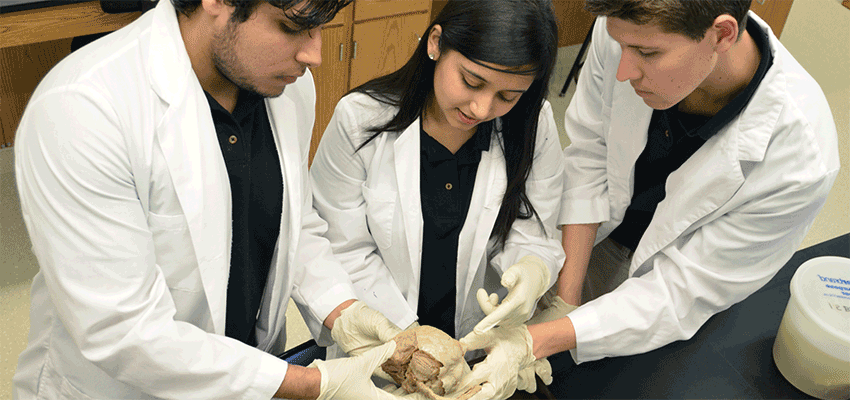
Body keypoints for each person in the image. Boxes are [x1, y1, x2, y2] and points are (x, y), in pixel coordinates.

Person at [12, 0, 424, 399]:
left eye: (321, 28)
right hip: (123, 387)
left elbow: (291, 222)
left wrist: (343, 310)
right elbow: (124, 330)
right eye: (293, 27)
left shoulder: (285, 87)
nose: (314, 54)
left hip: (247, 371)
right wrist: (311, 386)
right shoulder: (84, 108)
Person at [460, 1, 840, 399]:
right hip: (593, 231)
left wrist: (535, 342)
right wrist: (566, 299)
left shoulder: (799, 159)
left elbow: (680, 292)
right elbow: (590, 153)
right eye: (618, 45)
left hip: (677, 273)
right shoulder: (631, 34)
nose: (624, 71)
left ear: (722, 34)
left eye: (647, 54)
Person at [310, 0, 563, 370]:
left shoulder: (531, 124)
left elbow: (533, 228)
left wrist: (532, 267)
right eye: (471, 81)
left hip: (480, 350)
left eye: (507, 96)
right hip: (381, 345)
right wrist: (409, 342)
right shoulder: (360, 120)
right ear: (435, 43)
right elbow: (341, 248)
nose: (480, 108)